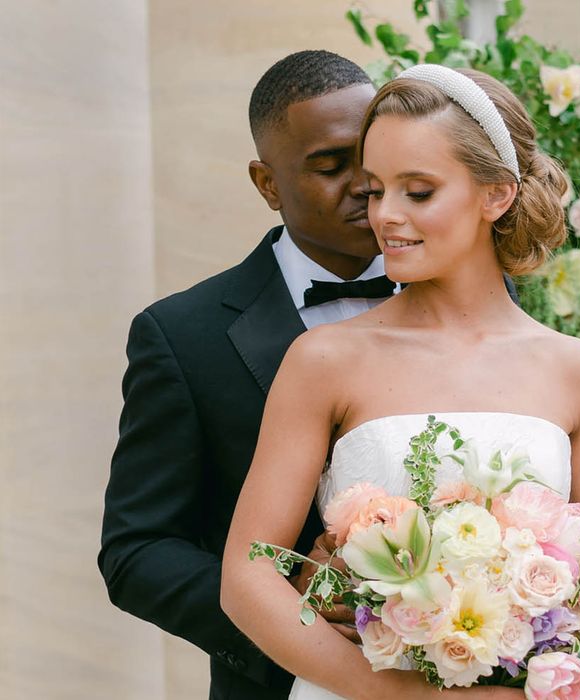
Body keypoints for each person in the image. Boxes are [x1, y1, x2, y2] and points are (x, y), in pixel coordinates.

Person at [220, 65, 580, 700]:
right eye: (377, 188)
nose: (384, 215)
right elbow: (248, 578)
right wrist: (409, 695)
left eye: (418, 192)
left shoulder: (577, 371)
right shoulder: (323, 360)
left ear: (496, 194)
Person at [99, 50, 404, 700]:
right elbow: (137, 552)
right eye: (331, 165)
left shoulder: (476, 297)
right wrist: (286, 615)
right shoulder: (184, 336)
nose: (366, 184)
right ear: (267, 184)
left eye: (373, 157)